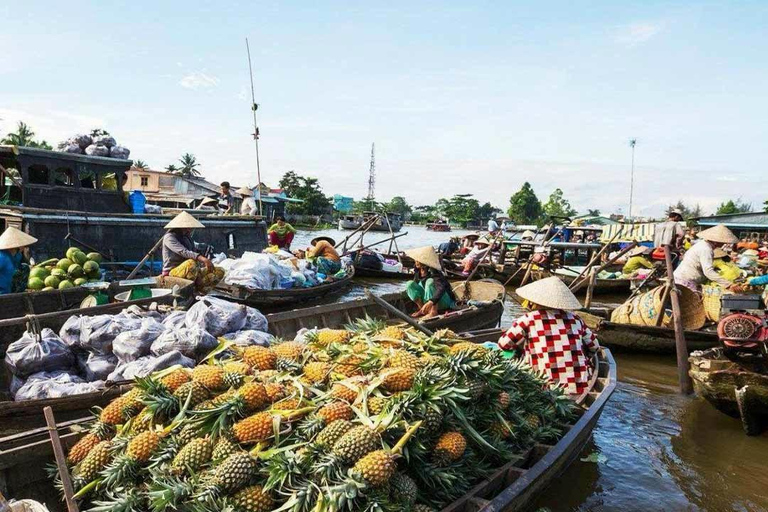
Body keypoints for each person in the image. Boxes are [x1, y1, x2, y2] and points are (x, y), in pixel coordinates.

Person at [498, 276, 599, 395]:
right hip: (578, 389)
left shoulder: (529, 319)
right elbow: (594, 347)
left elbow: (503, 344)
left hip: (543, 391)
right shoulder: (576, 319)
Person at [673, 224, 739, 292]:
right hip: (686, 280)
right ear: (716, 241)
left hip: (682, 278)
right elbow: (708, 271)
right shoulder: (706, 249)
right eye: (723, 241)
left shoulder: (702, 244)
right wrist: (727, 284)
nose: (724, 243)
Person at [404, 246, 456, 318]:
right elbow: (415, 287)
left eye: (418, 260)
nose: (416, 262)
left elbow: (441, 288)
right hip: (428, 301)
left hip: (443, 301)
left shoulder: (434, 271)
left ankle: (433, 311)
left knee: (430, 281)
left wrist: (431, 301)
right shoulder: (418, 271)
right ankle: (422, 310)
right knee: (410, 284)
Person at [0, 227, 37, 295]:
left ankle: (16, 294)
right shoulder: (2, 257)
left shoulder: (17, 255)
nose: (24, 247)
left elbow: (18, 268)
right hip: (2, 292)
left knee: (25, 267)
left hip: (8, 289)